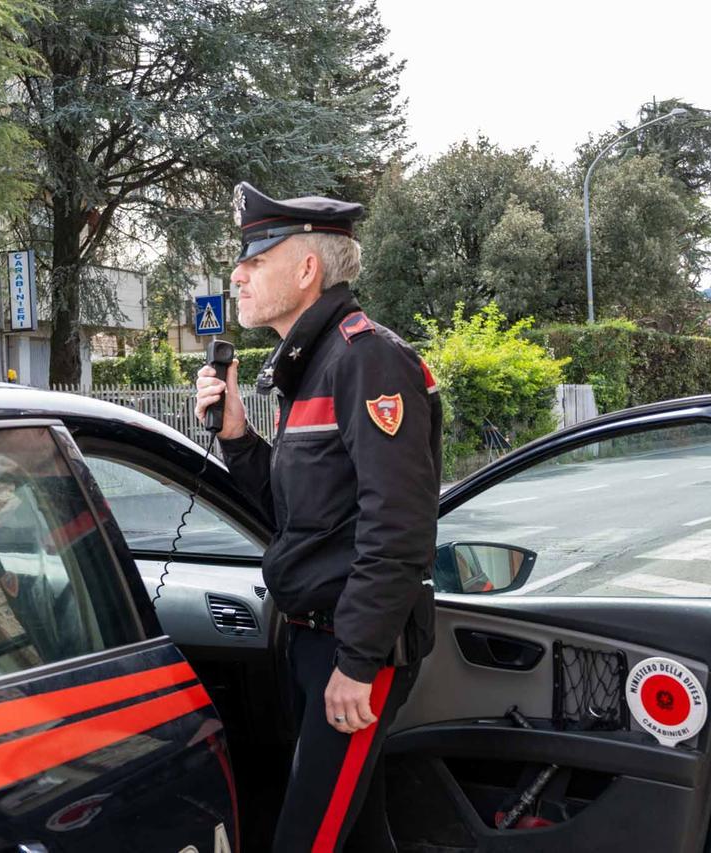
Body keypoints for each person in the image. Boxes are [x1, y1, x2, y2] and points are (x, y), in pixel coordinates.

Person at [194, 182, 442, 852]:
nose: (237, 274)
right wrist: (241, 440)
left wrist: (358, 661)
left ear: (306, 269)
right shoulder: (308, 367)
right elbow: (298, 518)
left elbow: (399, 526)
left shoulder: (366, 359)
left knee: (306, 838)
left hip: (352, 642)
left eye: (254, 260)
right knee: (356, 833)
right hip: (315, 638)